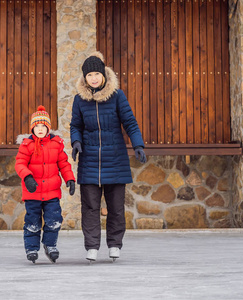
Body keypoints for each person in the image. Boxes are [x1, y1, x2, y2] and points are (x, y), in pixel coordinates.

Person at [70, 51, 147, 262]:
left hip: (115, 159)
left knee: (115, 207)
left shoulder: (117, 96)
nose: (93, 78)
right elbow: (75, 125)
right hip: (89, 161)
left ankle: (114, 244)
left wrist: (138, 144)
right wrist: (76, 142)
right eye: (89, 75)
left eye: (96, 73)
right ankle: (92, 246)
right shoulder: (80, 100)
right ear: (84, 78)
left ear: (103, 74)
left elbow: (130, 122)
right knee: (90, 207)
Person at [15, 105, 76, 263]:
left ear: (48, 128)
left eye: (43, 126)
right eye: (37, 126)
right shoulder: (26, 145)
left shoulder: (56, 144)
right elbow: (20, 164)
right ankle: (31, 248)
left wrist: (69, 179)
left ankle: (50, 245)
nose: (40, 129)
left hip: (51, 192)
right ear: (32, 128)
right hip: (33, 192)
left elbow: (63, 164)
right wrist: (27, 177)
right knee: (32, 221)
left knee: (54, 219)